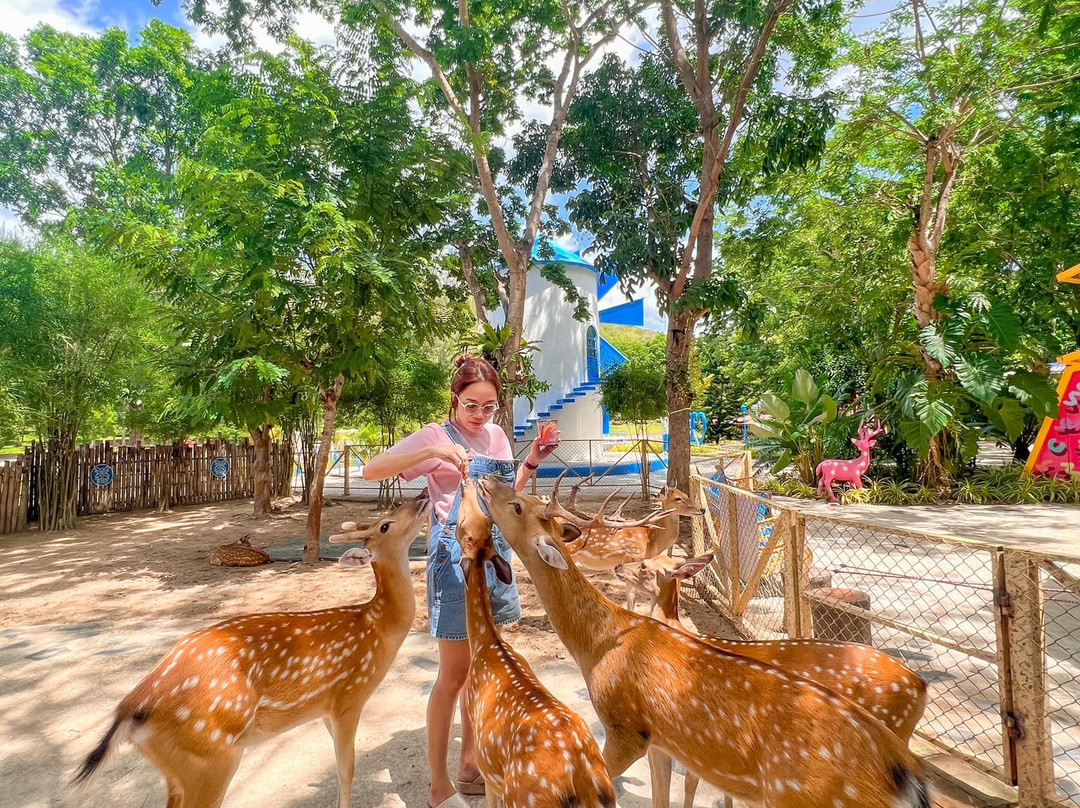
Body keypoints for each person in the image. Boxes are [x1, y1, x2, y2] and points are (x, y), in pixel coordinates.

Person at [361, 354, 559, 808]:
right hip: (453, 560)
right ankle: (439, 787)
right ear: (454, 399)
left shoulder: (497, 435)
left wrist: (531, 460)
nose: (480, 415)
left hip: (495, 556)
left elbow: (504, 493)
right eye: (471, 405)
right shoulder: (437, 435)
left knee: (482, 669)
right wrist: (432, 454)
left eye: (489, 406)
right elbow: (372, 469)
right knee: (454, 674)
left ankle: (471, 767)